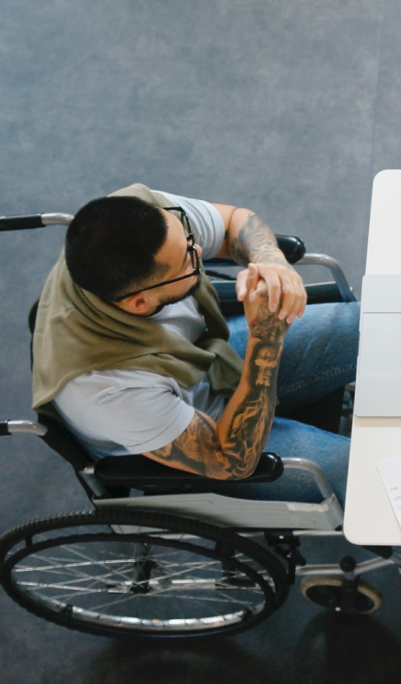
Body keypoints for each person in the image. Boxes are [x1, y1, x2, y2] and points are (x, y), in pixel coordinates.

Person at [30, 183, 357, 502]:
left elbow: (232, 223)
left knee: (368, 324)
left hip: (208, 359)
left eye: (188, 238)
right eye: (187, 260)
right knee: (369, 476)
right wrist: (265, 343)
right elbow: (232, 461)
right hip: (207, 437)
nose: (198, 251)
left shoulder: (143, 216)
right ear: (140, 303)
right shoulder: (105, 390)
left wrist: (271, 260)